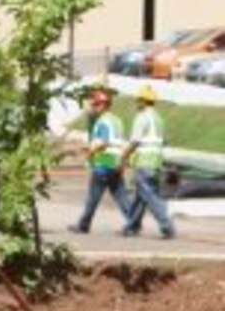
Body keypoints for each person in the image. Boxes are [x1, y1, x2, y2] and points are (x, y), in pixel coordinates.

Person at [69, 89, 130, 233]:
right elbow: (118, 142)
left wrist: (90, 153)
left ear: (103, 105)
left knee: (93, 196)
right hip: (116, 161)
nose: (94, 108)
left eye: (96, 105)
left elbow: (102, 143)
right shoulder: (117, 121)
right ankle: (133, 223)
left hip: (104, 160)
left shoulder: (102, 121)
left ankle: (83, 225)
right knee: (121, 195)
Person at [122, 85, 175, 238]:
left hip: (144, 163)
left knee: (150, 197)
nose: (136, 103)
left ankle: (167, 226)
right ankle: (131, 226)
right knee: (141, 196)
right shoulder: (158, 119)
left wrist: (123, 157)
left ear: (144, 102)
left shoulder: (142, 117)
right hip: (155, 163)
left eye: (139, 100)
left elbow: (135, 141)